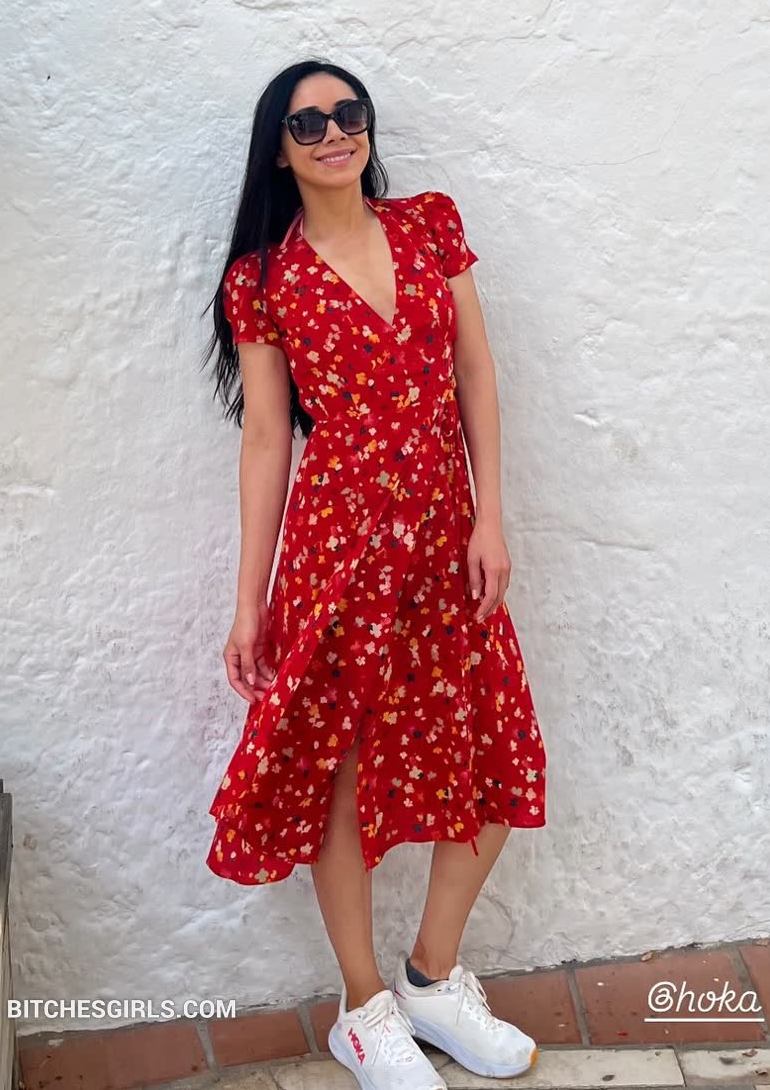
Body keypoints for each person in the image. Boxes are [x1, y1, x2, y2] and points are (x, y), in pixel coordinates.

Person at [204, 58, 547, 1090]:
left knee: (492, 744)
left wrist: (489, 515)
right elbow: (266, 438)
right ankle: (362, 1011)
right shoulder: (263, 279)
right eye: (306, 123)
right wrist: (249, 600)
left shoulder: (428, 226)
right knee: (341, 768)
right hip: (338, 548)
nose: (332, 133)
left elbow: (475, 372)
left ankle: (431, 978)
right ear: (278, 150)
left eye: (346, 113)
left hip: (445, 534)